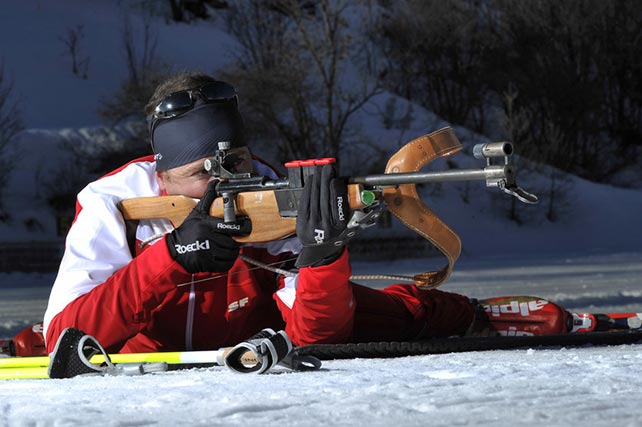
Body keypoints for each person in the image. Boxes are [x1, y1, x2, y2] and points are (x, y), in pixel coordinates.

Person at [41, 72, 566, 355]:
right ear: (163, 177)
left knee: (406, 316)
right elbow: (65, 334)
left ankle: (485, 317)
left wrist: (322, 257)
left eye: (237, 163)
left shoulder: (277, 193)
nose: (227, 182)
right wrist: (172, 259)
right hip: (143, 350)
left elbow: (321, 336)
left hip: (257, 330)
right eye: (206, 171)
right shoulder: (114, 202)